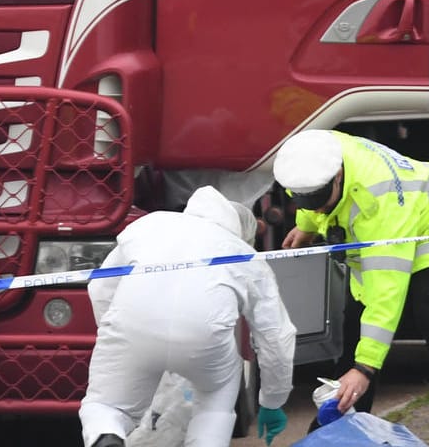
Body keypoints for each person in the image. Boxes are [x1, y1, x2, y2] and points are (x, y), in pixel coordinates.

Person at [275, 129, 429, 447]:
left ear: (338, 175)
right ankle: (347, 422)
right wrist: (307, 224)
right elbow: (313, 201)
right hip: (399, 213)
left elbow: (386, 294)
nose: (317, 208)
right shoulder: (309, 154)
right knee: (354, 320)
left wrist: (364, 368)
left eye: (319, 201)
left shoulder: (378, 201)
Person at [80, 186, 296, 447]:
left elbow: (100, 287)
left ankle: (107, 436)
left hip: (133, 326)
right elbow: (275, 335)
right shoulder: (244, 253)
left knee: (106, 406)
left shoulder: (148, 225)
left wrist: (117, 335)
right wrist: (273, 401)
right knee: (215, 402)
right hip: (206, 341)